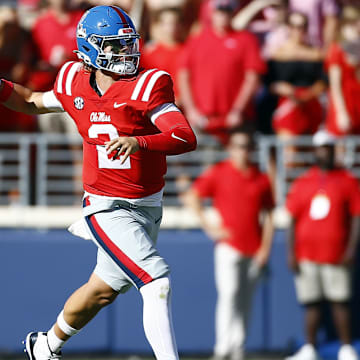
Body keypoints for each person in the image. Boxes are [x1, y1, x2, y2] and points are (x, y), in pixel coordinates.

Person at [0, 5, 196, 360]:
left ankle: (45, 346)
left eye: (127, 44)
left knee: (103, 290)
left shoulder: (147, 85)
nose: (125, 53)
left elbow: (184, 135)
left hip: (147, 207)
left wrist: (140, 141)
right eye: (114, 46)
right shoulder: (74, 81)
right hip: (106, 205)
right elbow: (31, 100)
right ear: (90, 49)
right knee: (156, 280)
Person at [184, 128, 274, 360]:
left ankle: (238, 347)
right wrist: (210, 228)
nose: (243, 151)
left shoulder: (261, 177)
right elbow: (192, 196)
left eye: (247, 146)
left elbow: (270, 215)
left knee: (246, 300)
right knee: (229, 295)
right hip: (229, 245)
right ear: (231, 148)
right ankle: (223, 347)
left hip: (253, 248)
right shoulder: (220, 172)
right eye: (239, 146)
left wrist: (265, 248)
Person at [285, 130, 360, 360]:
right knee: (311, 303)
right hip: (307, 253)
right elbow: (292, 219)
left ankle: (346, 348)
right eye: (320, 148)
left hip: (336, 253)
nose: (323, 152)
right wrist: (292, 252)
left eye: (328, 148)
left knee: (340, 301)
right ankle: (310, 348)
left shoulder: (347, 180)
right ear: (314, 151)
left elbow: (357, 216)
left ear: (333, 151)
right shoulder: (304, 181)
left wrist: (351, 249)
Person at [178, 0, 266, 144]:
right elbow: (184, 76)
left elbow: (252, 78)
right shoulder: (196, 40)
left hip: (237, 120)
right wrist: (191, 110)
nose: (223, 16)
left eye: (227, 11)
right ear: (212, 13)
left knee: (241, 161)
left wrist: (238, 110)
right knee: (206, 163)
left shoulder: (246, 40)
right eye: (219, 12)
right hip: (203, 119)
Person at [325, 5, 360, 136]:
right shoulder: (337, 49)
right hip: (345, 101)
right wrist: (341, 112)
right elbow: (335, 85)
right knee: (343, 146)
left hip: (358, 99)